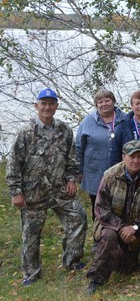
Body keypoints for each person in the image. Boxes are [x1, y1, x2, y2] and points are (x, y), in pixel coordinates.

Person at [6, 88, 87, 286]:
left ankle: (72, 260)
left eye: (51, 103)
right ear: (37, 106)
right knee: (31, 234)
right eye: (44, 103)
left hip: (60, 190)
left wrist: (71, 179)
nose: (47, 107)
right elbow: (14, 162)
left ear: (56, 106)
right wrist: (16, 192)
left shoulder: (64, 130)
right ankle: (31, 273)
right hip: (34, 193)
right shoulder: (25, 132)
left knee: (79, 217)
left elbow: (72, 158)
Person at [86, 140, 140, 294]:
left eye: (139, 156)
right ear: (123, 157)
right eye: (132, 157)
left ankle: (115, 255)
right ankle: (96, 279)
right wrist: (121, 228)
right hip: (110, 225)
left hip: (136, 231)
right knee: (109, 236)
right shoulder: (110, 175)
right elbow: (101, 209)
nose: (136, 161)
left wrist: (134, 228)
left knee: (127, 268)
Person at [76, 89, 126, 220]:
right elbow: (78, 148)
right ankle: (99, 236)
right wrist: (78, 171)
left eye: (107, 100)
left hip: (121, 173)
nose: (104, 104)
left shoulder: (125, 119)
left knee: (120, 207)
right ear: (96, 105)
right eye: (100, 101)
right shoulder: (87, 121)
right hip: (95, 173)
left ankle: (118, 236)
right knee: (98, 208)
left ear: (114, 102)